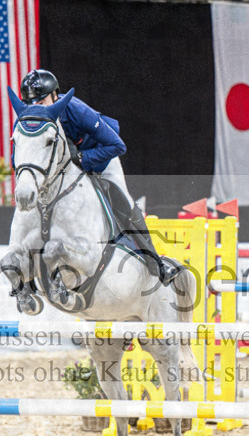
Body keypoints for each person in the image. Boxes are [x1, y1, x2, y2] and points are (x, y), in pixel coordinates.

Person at [19, 69, 182, 286]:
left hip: (99, 159)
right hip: (66, 171)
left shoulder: (75, 110)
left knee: (123, 201)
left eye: (41, 101)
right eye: (30, 103)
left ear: (55, 95)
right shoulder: (29, 120)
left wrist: (82, 158)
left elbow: (117, 145)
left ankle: (157, 264)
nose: (36, 108)